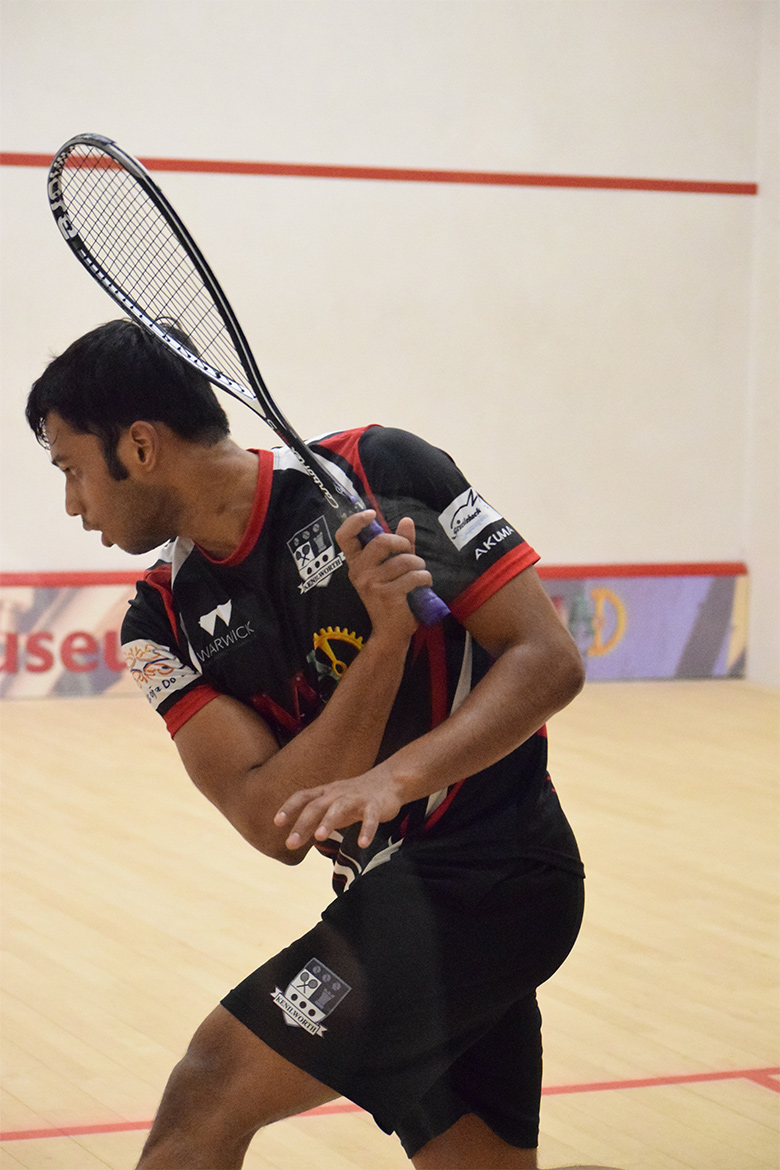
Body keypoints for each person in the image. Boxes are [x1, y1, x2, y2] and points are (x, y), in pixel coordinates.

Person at [26, 318, 617, 1170]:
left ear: (142, 447)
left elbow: (549, 663)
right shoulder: (158, 621)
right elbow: (271, 822)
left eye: (71, 470)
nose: (74, 505)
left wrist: (397, 777)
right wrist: (384, 648)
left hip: (497, 875)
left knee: (208, 1092)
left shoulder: (379, 472)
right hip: (391, 898)